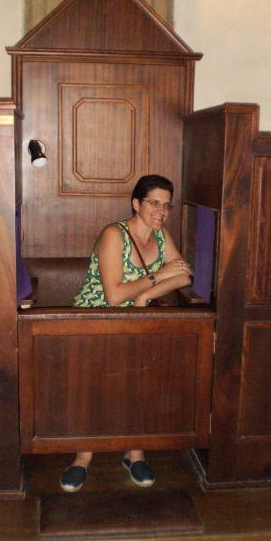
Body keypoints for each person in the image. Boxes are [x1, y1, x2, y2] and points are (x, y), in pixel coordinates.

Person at [60, 174, 193, 492]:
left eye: (166, 205)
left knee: (141, 381)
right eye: (154, 203)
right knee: (95, 388)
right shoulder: (114, 234)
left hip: (136, 319)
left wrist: (145, 296)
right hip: (95, 320)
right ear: (136, 203)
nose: (161, 211)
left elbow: (184, 276)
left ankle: (135, 453)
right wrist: (158, 277)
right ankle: (83, 457)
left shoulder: (161, 236)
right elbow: (114, 295)